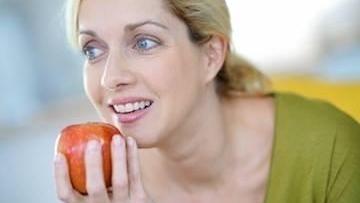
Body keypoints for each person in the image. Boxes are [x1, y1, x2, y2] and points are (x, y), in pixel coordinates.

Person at [53, 0, 360, 202]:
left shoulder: (331, 151)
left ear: (211, 55)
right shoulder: (103, 188)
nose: (109, 78)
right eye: (92, 49)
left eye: (144, 42)